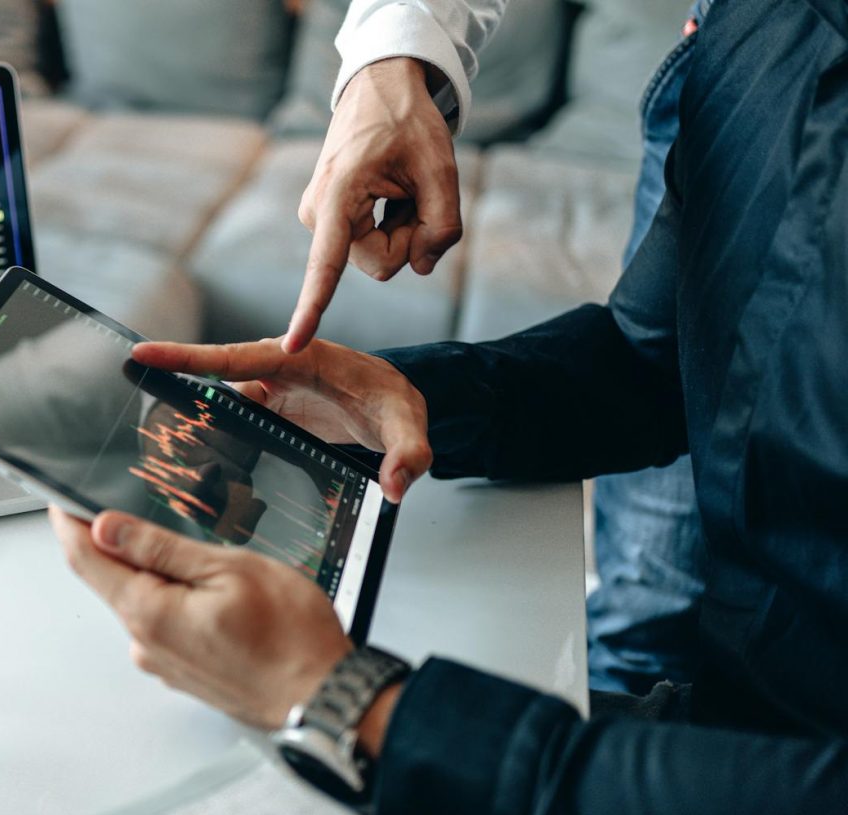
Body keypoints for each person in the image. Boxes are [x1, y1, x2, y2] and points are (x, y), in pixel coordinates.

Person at [50, 0, 848, 815]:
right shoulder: (769, 31)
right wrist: (411, 394)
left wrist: (350, 701)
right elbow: (651, 361)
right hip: (697, 734)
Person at [291, 0, 711, 695]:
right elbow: (654, 364)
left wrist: (367, 716)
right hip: (727, 63)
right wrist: (407, 394)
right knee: (646, 610)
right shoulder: (759, 55)